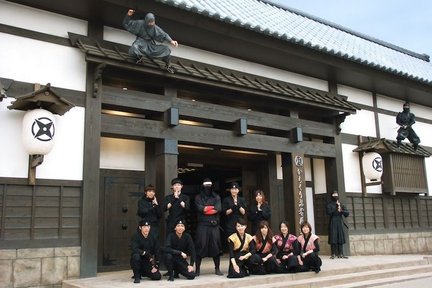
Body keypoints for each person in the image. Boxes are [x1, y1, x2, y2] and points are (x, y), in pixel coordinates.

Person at [123, 9, 178, 73]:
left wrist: (171, 41)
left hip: (151, 45)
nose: (151, 23)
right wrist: (128, 15)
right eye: (150, 22)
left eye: (153, 22)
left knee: (166, 49)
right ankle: (137, 58)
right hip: (141, 43)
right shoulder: (139, 23)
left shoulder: (155, 27)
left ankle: (168, 65)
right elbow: (126, 24)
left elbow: (164, 34)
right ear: (146, 21)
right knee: (134, 47)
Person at [194, 178, 224, 276]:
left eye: (209, 185)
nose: (208, 187)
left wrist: (206, 209)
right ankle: (197, 269)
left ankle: (217, 268)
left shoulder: (216, 196)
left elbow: (218, 209)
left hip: (214, 225)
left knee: (216, 247)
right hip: (202, 225)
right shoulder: (198, 197)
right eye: (206, 185)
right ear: (202, 186)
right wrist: (209, 208)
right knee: (200, 246)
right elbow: (199, 208)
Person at [326, 191, 349, 259]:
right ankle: (333, 253)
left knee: (340, 237)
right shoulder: (329, 204)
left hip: (340, 221)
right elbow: (328, 213)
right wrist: (336, 208)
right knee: (333, 237)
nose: (335, 196)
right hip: (333, 221)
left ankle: (341, 253)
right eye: (334, 195)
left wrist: (341, 210)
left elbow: (347, 213)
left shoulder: (340, 204)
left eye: (336, 194)